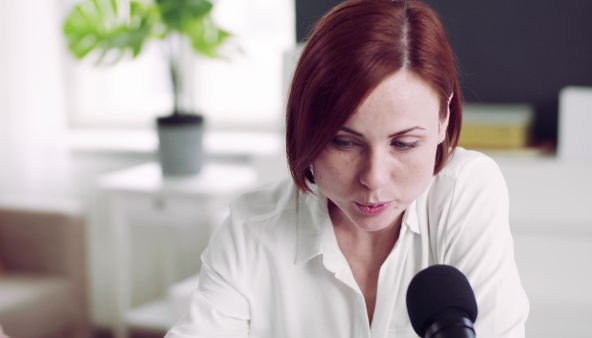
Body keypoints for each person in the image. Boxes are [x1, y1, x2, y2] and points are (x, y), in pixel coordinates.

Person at [166, 0, 529, 337]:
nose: (373, 177)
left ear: (442, 119)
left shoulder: (464, 192)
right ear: (307, 127)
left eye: (404, 144)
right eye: (344, 142)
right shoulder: (252, 229)